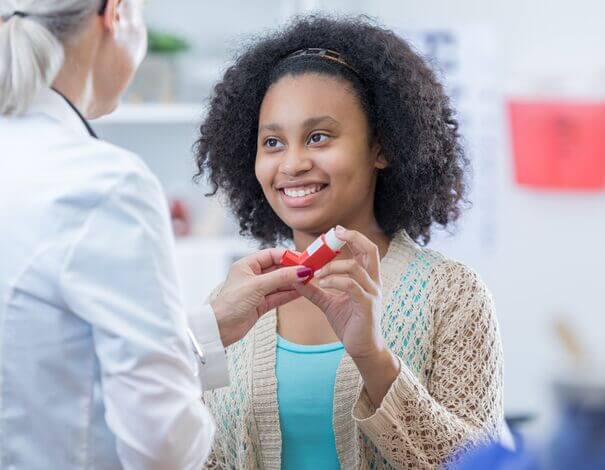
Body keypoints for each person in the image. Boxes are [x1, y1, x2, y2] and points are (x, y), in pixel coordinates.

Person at [0, 1, 312, 468]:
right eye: (271, 142)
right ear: (117, 13)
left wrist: (205, 329)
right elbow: (164, 441)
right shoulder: (105, 184)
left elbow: (56, 361)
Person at [195, 16, 511, 469]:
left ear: (381, 148)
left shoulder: (452, 294)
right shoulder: (233, 304)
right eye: (272, 142)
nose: (293, 163)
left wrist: (372, 357)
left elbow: (482, 464)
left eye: (318, 137)